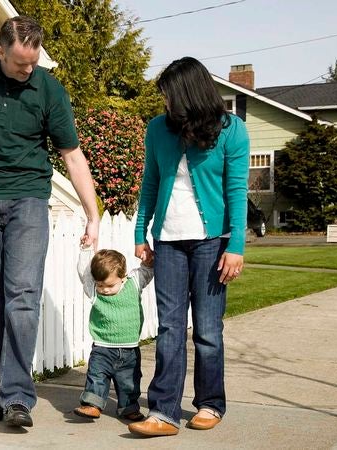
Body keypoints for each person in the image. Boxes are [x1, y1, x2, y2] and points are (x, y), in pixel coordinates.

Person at [0, 16, 100, 428]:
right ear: (0, 51)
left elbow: (72, 155)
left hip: (29, 201)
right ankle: (13, 390)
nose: (27, 70)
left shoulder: (49, 89)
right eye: (19, 64)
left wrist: (92, 213)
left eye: (32, 63)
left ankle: (15, 397)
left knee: (23, 297)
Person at [128, 56, 250, 437]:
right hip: (168, 241)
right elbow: (150, 183)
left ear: (188, 94)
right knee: (168, 327)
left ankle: (210, 404)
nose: (165, 104)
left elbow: (236, 190)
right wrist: (139, 234)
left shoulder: (232, 130)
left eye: (169, 96)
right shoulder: (157, 129)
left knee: (208, 330)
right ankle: (163, 412)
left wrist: (237, 244)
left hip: (213, 244)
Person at [73, 247, 153, 422]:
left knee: (129, 382)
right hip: (102, 348)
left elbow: (146, 272)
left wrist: (148, 262)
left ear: (122, 278)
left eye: (110, 285)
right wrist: (86, 249)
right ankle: (92, 405)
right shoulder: (94, 290)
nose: (105, 290)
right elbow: (84, 274)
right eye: (100, 285)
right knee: (96, 377)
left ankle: (129, 408)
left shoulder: (133, 283)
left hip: (129, 349)